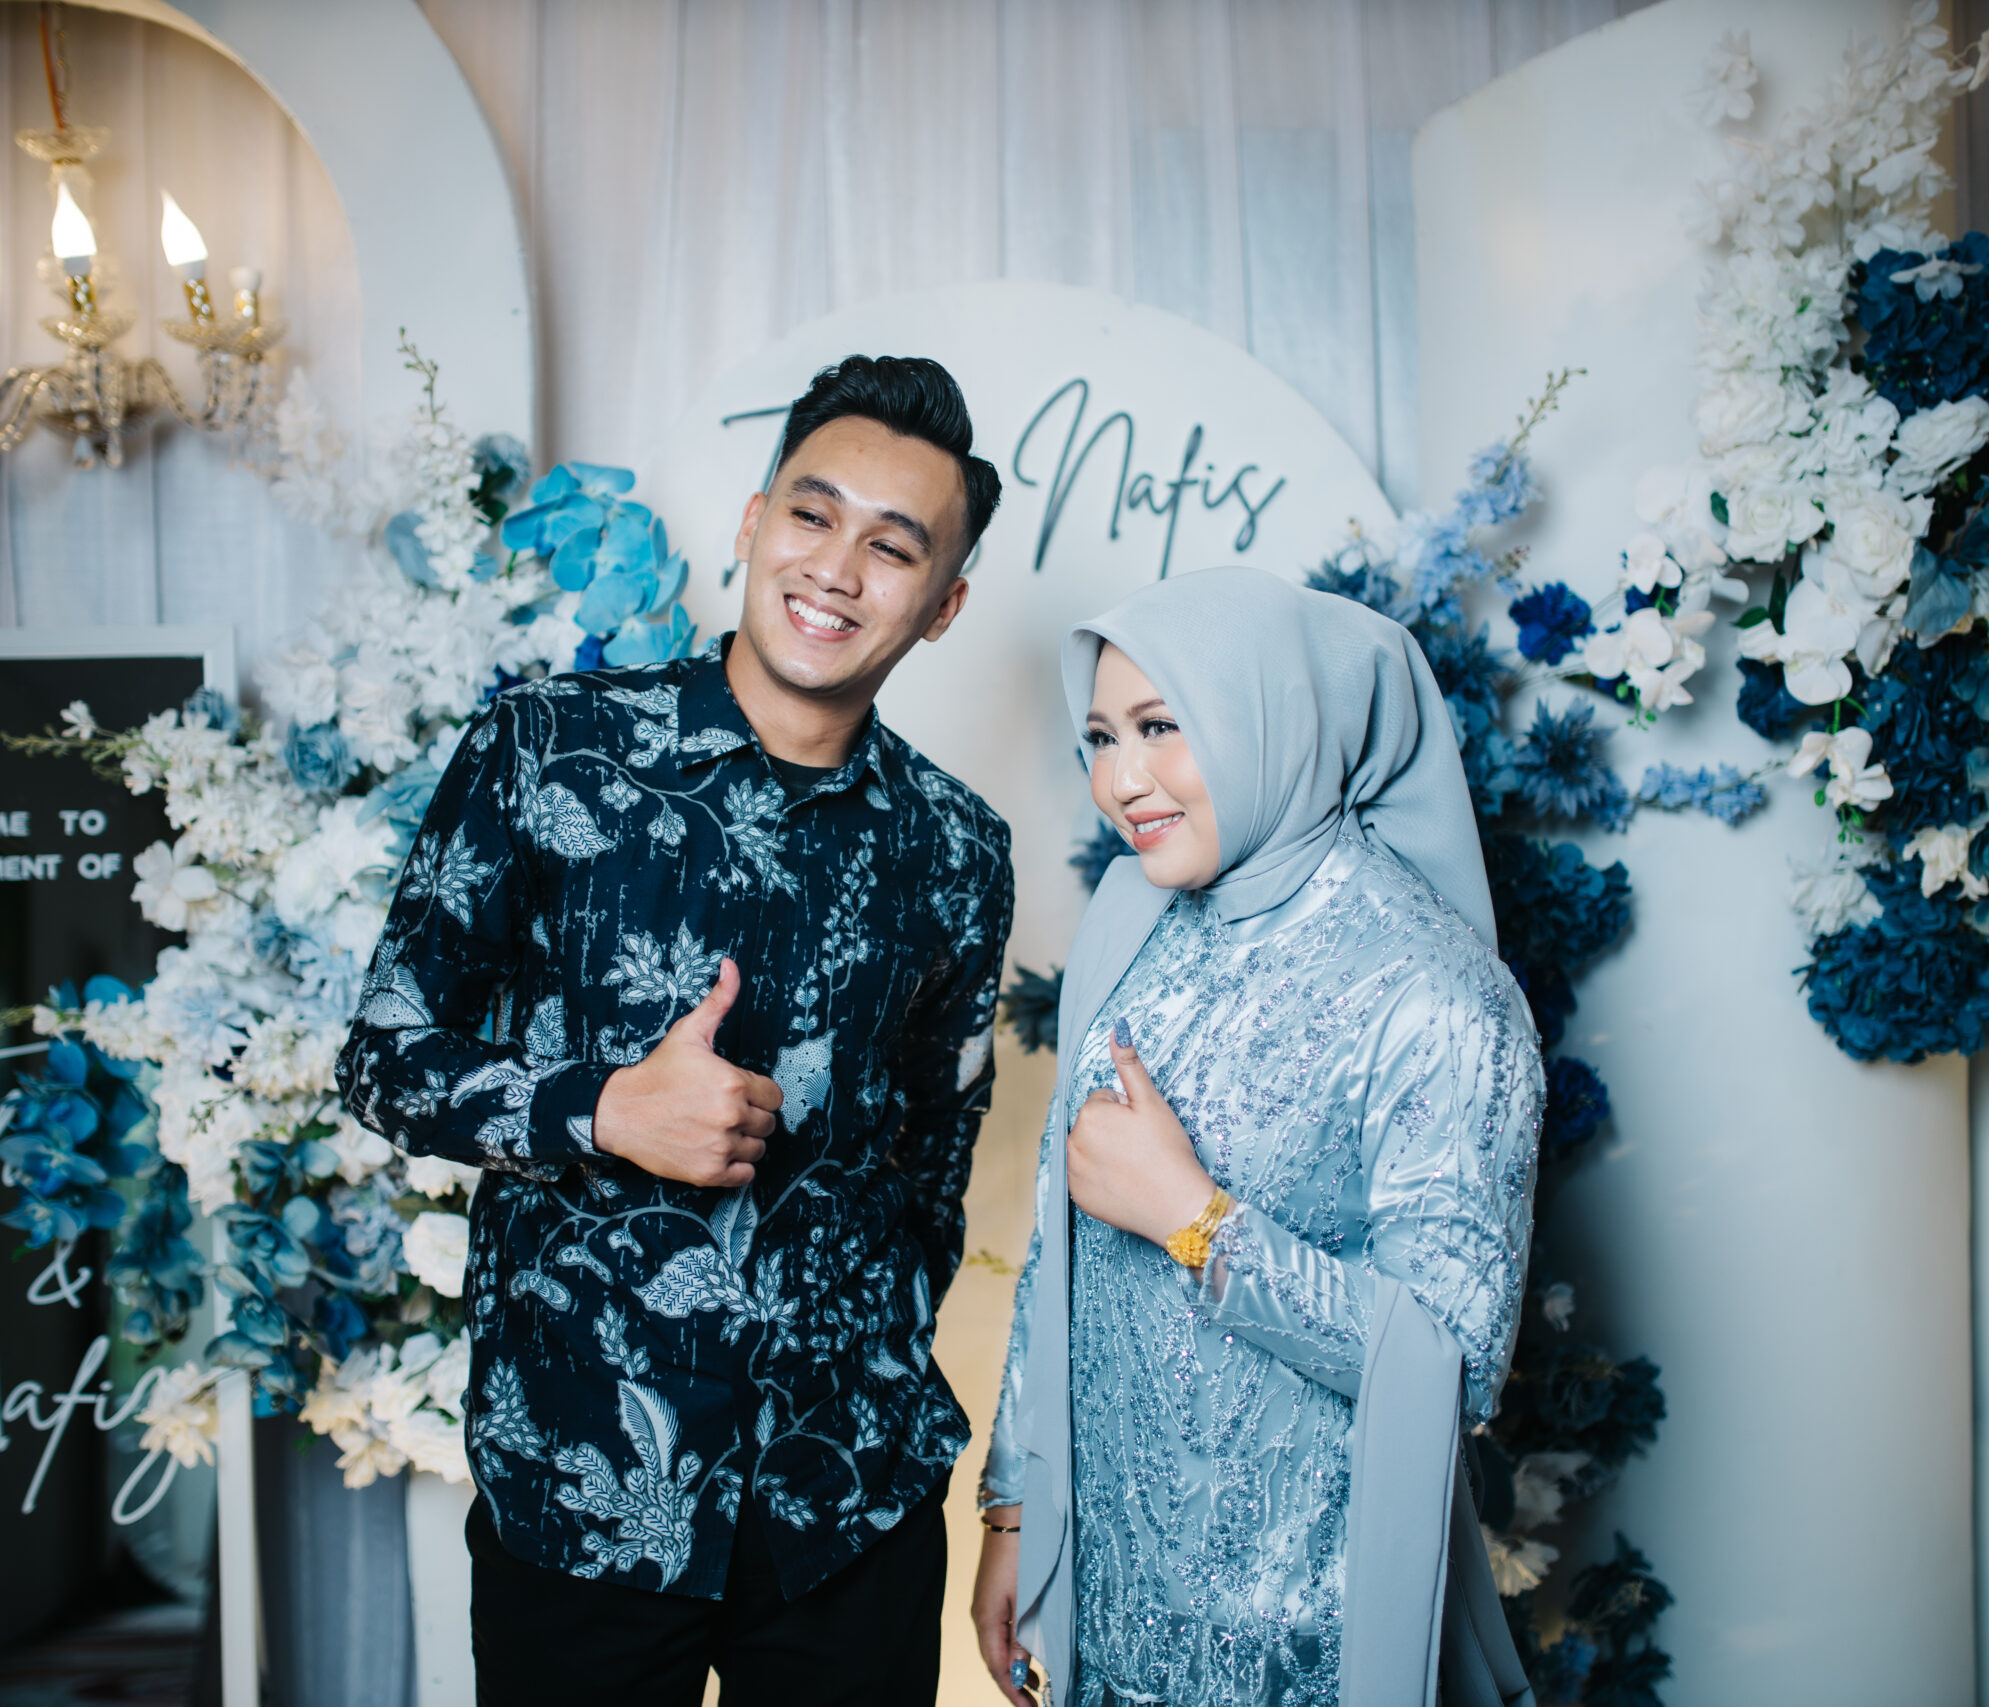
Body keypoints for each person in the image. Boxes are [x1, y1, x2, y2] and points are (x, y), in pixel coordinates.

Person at [337, 355, 1015, 1706]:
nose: (837, 569)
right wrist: (602, 1108)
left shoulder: (960, 847)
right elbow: (382, 1058)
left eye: (893, 548)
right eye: (813, 515)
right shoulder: (545, 746)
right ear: (754, 523)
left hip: (849, 1505)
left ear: (942, 605)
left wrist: (867, 1359)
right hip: (581, 1489)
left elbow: (932, 1163)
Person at [969, 566, 1543, 1707]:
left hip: (1305, 1634)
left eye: (1161, 726)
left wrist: (1194, 1221)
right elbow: (1054, 1249)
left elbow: (1457, 1365)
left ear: (1275, 718)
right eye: (1101, 737)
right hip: (1118, 1600)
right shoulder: (1132, 930)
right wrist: (1015, 1510)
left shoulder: (1434, 993)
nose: (1120, 780)